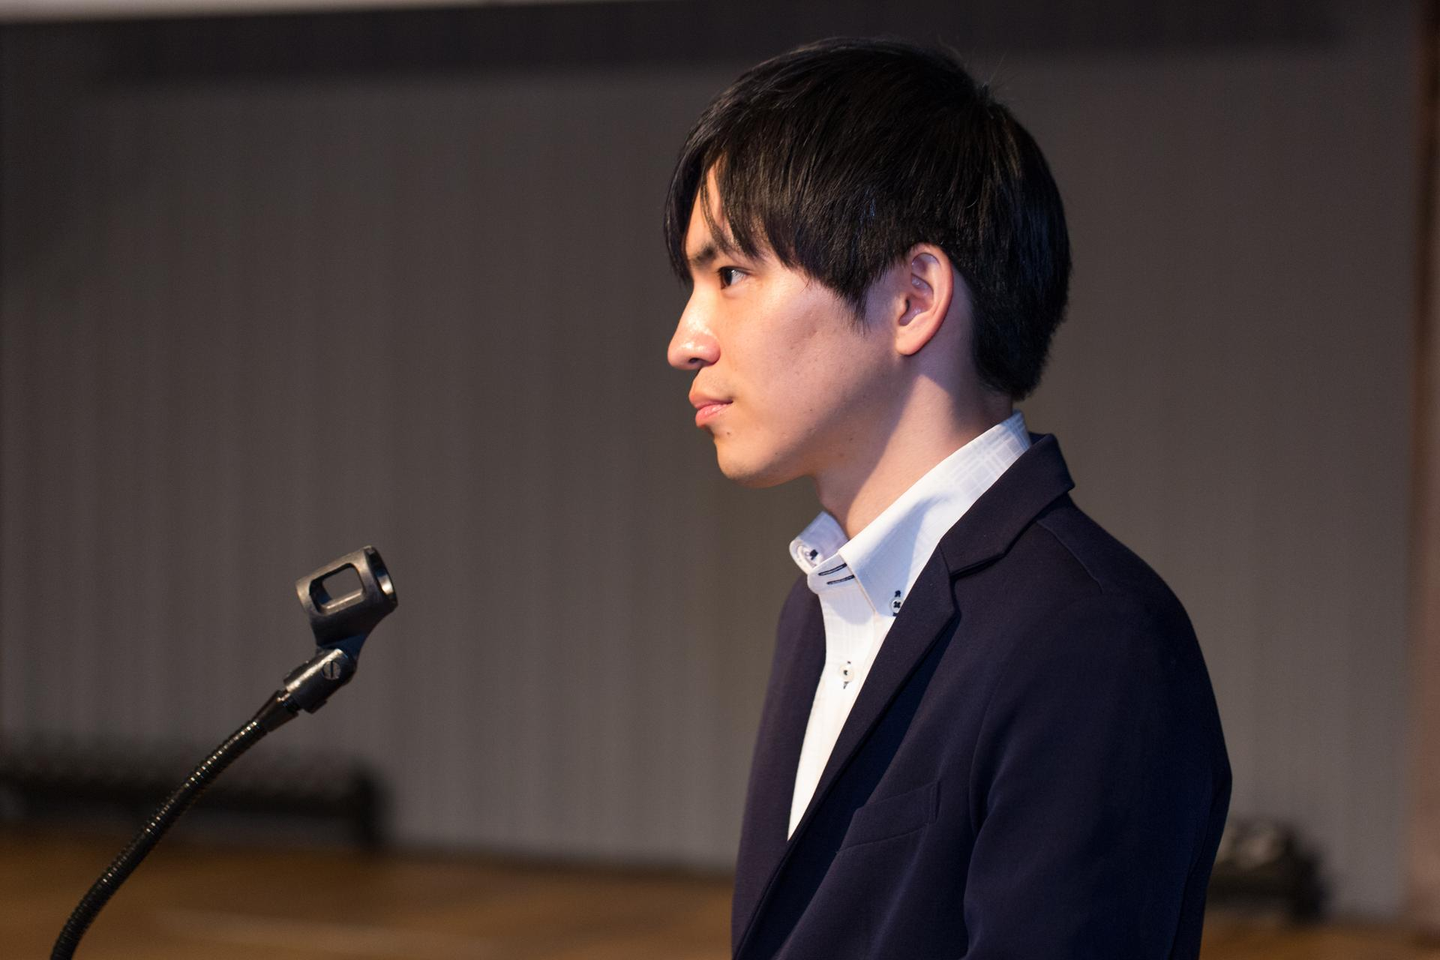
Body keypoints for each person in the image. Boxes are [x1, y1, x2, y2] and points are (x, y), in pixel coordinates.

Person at [663, 37, 1230, 960]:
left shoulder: (1092, 639)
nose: (686, 339)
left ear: (913, 299)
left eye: (730, 275)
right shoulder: (816, 610)